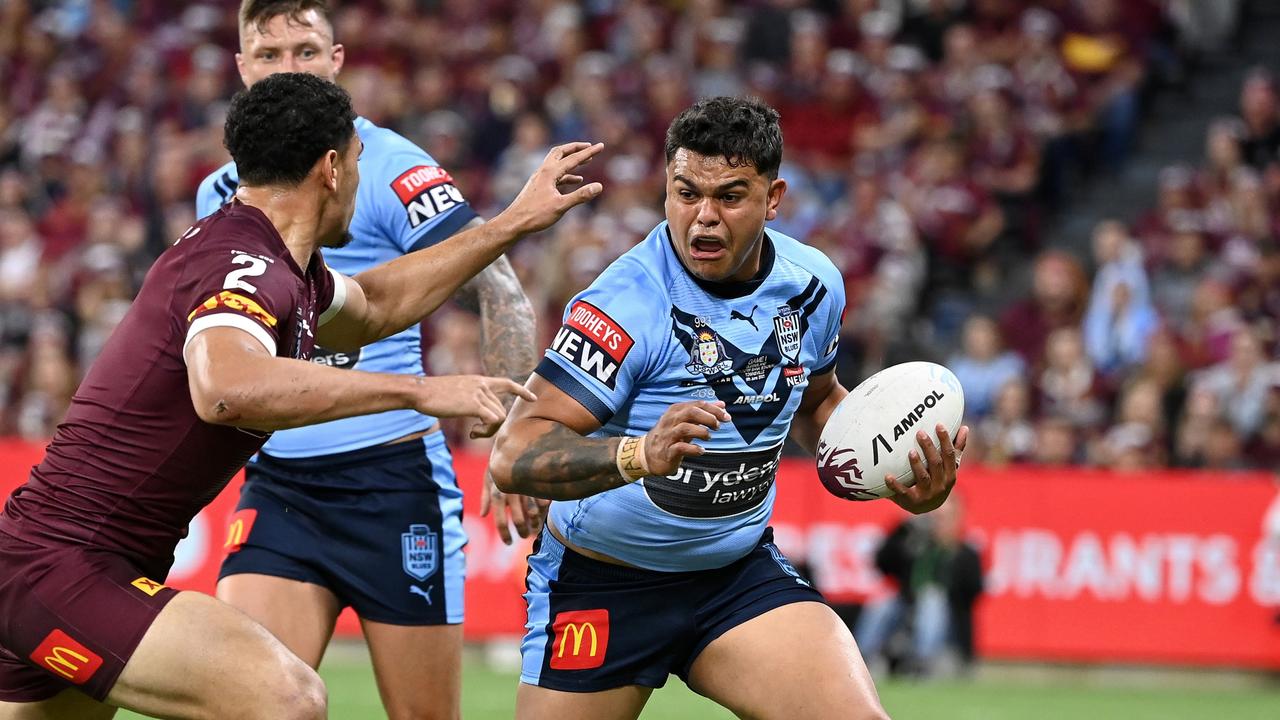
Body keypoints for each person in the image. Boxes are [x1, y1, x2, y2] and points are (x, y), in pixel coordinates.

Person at [0, 73, 601, 719]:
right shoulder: (243, 265)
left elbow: (377, 305)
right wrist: (418, 390)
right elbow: (225, 389)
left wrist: (512, 223)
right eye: (361, 164)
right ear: (333, 168)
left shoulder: (275, 263)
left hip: (74, 563)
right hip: (66, 567)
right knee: (286, 698)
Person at [489, 96, 968, 720]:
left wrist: (892, 470)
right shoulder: (624, 302)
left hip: (734, 576)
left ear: (774, 199)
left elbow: (816, 400)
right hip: (605, 581)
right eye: (686, 193)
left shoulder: (813, 284)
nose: (704, 219)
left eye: (731, 197)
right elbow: (514, 451)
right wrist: (638, 453)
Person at [195, 4, 545, 718]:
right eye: (268, 55)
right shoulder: (219, 191)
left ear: (337, 60)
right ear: (241, 69)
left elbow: (500, 287)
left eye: (305, 50)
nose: (287, 69)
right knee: (252, 705)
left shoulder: (390, 167)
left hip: (393, 483)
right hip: (279, 484)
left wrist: (514, 437)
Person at [854, 496, 984, 678]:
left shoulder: (965, 552)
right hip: (908, 608)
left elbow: (973, 593)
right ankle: (860, 658)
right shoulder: (917, 546)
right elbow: (882, 562)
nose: (938, 524)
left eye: (944, 518)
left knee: (933, 599)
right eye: (935, 518)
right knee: (882, 602)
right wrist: (904, 527)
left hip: (946, 621)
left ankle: (922, 663)